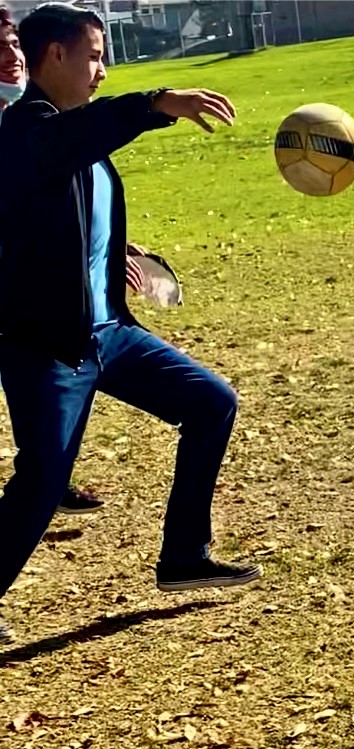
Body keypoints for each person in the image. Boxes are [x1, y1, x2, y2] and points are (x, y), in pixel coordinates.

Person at [0, 3, 261, 645]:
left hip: (107, 333)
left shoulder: (74, 130)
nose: (102, 70)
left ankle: (183, 558)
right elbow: (64, 151)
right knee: (43, 481)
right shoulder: (25, 129)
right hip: (47, 346)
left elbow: (74, 212)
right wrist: (155, 103)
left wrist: (123, 254)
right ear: (53, 57)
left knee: (210, 402)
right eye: (93, 55)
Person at [0, 6, 104, 515]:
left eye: (14, 44)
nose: (13, 57)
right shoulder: (23, 126)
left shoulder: (36, 119)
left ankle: (46, 477)